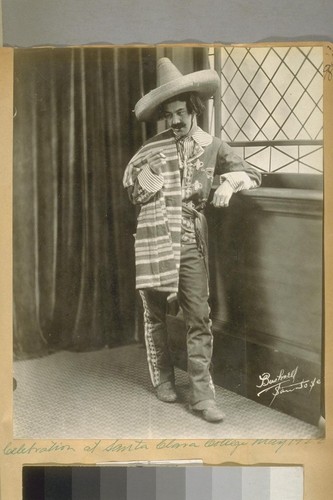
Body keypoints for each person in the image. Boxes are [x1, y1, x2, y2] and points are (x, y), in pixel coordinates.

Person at [123, 57, 261, 422]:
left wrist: (230, 184)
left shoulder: (213, 146)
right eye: (170, 115)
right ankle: (164, 379)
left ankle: (202, 395)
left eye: (181, 112)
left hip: (187, 238)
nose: (176, 121)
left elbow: (250, 172)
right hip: (154, 236)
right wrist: (147, 179)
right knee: (155, 314)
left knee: (198, 315)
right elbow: (133, 189)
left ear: (194, 109)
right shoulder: (152, 148)